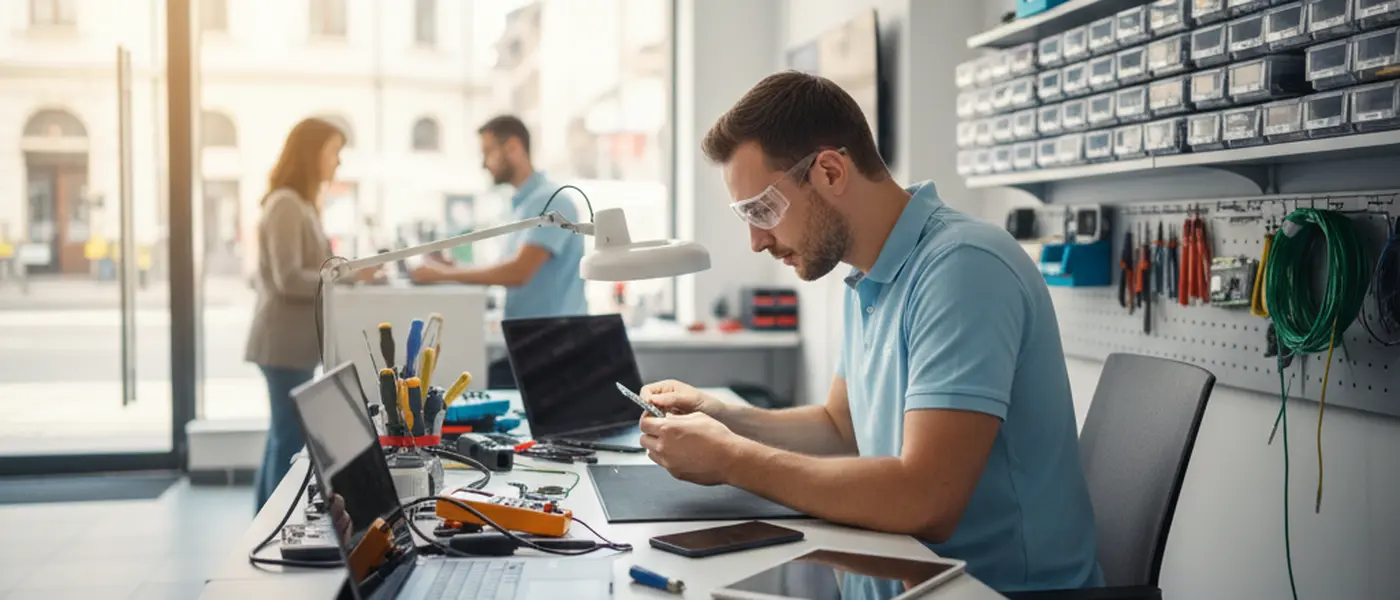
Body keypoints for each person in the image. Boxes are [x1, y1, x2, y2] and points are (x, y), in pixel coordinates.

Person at [636, 71, 1103, 593]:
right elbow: (842, 427)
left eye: (763, 210)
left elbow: (926, 499)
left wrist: (732, 459)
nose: (756, 240)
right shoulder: (867, 276)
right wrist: (723, 417)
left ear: (831, 171)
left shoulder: (964, 268)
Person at [244, 118, 375, 510]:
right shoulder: (286, 203)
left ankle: (263, 520)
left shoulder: (299, 202)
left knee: (280, 436)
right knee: (287, 439)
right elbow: (288, 279)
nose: (337, 162)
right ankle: (271, 522)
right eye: (333, 151)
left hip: (290, 345)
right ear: (311, 152)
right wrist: (346, 275)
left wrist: (342, 271)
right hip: (282, 344)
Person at [411, 115, 585, 387]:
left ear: (513, 148)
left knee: (476, 386)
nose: (483, 163)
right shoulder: (522, 205)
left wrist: (443, 274)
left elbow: (518, 272)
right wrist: (454, 268)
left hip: (553, 349)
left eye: (488, 153)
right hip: (531, 344)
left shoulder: (553, 200)